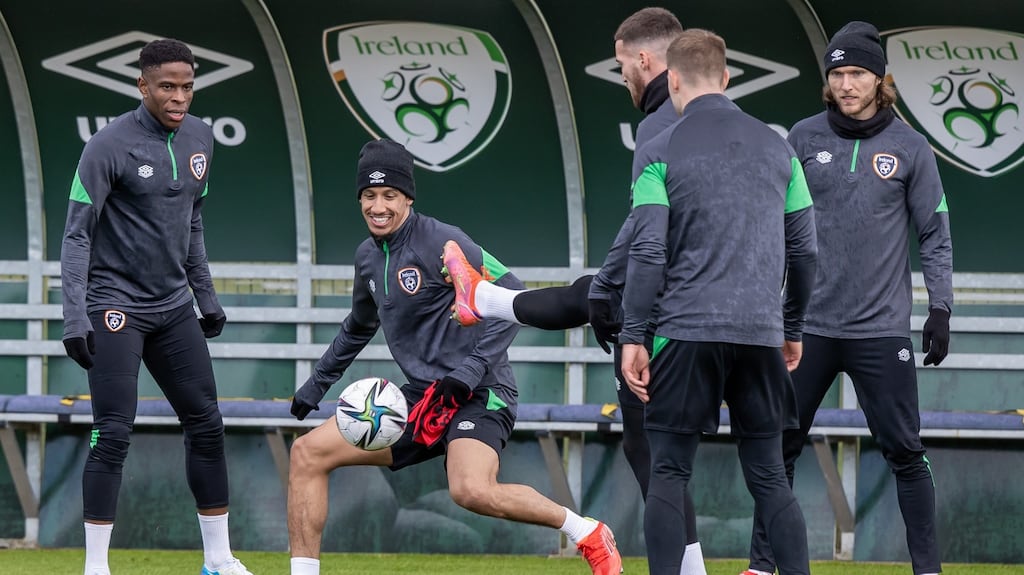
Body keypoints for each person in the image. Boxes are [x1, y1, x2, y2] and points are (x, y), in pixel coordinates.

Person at [442, 8, 708, 571]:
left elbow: (647, 231)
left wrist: (619, 300)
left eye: (622, 65)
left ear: (644, 58)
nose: (623, 77)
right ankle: (487, 300)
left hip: (672, 314)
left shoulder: (661, 124)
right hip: (739, 310)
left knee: (656, 455)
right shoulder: (737, 127)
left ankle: (485, 299)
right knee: (761, 456)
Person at [286, 139, 622, 575]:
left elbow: (512, 297)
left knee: (470, 490)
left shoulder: (443, 241)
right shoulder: (367, 258)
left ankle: (587, 531)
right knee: (307, 454)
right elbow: (359, 325)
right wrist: (316, 384)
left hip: (480, 392)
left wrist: (469, 370)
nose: (378, 206)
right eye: (369, 195)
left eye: (389, 195)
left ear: (408, 197)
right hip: (423, 399)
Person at [742, 21, 951, 575]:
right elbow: (772, 226)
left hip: (880, 330)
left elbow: (935, 233)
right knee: (778, 447)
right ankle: (763, 566)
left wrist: (942, 307)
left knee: (905, 451)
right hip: (805, 329)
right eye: (837, 74)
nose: (846, 84)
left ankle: (928, 570)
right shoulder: (802, 138)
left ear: (879, 79)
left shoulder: (911, 147)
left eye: (857, 73)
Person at [618, 29, 818, 575]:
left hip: (684, 331)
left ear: (672, 81)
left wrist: (634, 335)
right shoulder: (781, 150)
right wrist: (792, 327)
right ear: (727, 78)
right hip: (760, 334)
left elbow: (649, 250)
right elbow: (805, 253)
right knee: (770, 477)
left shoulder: (657, 149)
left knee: (668, 473)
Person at [60, 39, 250, 575]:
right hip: (113, 305)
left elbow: (192, 222)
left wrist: (205, 296)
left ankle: (218, 559)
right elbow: (76, 235)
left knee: (207, 424)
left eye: (187, 87)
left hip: (172, 306)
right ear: (142, 85)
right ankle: (95, 567)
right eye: (167, 86)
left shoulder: (201, 138)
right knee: (113, 431)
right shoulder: (106, 146)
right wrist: (74, 315)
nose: (179, 97)